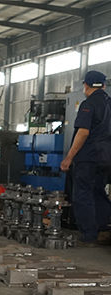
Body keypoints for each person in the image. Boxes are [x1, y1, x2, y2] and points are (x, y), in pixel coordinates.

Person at [60, 70, 111, 246]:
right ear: (104, 85)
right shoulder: (109, 103)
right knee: (98, 192)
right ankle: (105, 230)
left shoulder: (89, 104)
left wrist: (69, 157)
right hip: (106, 159)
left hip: (88, 157)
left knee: (83, 195)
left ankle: (89, 236)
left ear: (86, 85)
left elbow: (83, 133)